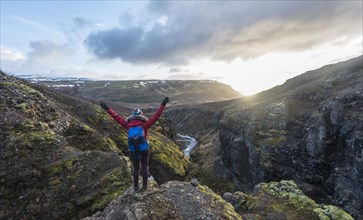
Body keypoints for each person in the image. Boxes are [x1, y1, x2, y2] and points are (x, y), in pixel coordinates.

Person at [100, 97, 169, 192]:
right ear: (141, 115)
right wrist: (163, 104)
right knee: (145, 167)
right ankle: (144, 187)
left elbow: (116, 117)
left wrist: (107, 108)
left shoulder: (128, 125)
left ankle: (136, 188)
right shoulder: (144, 125)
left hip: (133, 149)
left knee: (136, 168)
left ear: (132, 116)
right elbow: (156, 116)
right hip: (144, 148)